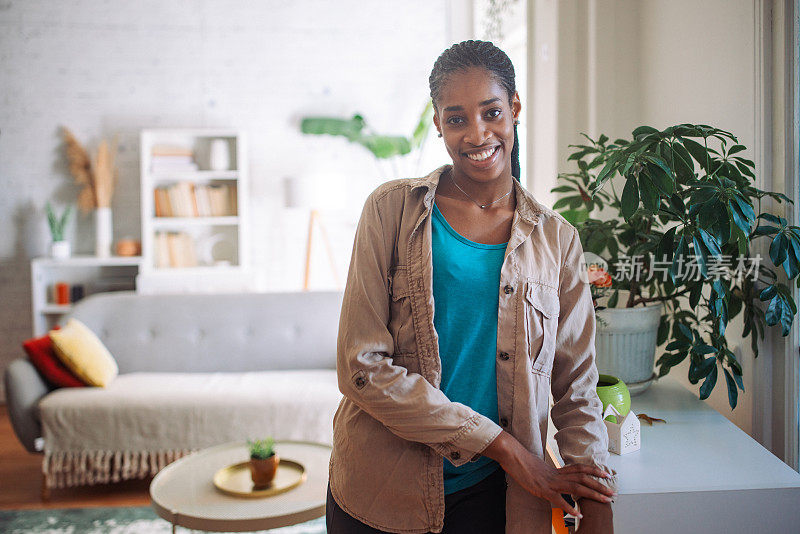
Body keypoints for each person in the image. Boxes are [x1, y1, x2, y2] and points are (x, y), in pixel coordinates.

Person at [326, 39, 617, 534]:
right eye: (457, 118)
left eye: (491, 112)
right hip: (380, 493)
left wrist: (597, 500)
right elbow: (361, 367)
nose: (477, 133)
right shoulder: (390, 211)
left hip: (494, 499)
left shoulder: (557, 241)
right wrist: (503, 446)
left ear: (515, 109)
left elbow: (576, 386)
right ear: (437, 123)